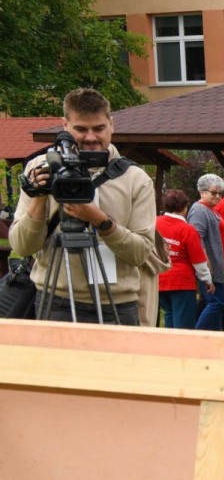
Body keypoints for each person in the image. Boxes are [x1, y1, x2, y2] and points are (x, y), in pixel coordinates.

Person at [10, 87, 155, 325]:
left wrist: (100, 221)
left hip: (117, 305)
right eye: (81, 129)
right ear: (65, 125)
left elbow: (140, 254)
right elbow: (23, 247)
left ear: (111, 124)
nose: (90, 137)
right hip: (56, 299)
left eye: (98, 128)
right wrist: (39, 195)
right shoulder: (41, 169)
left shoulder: (135, 179)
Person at [156, 188, 213, 329]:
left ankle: (170, 348)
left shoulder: (154, 223)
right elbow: (198, 261)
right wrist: (207, 280)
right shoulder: (187, 229)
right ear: (184, 207)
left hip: (159, 278)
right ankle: (184, 349)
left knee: (169, 315)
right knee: (184, 322)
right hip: (182, 281)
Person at [189, 173, 224, 331]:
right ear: (202, 192)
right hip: (210, 268)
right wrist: (206, 267)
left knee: (213, 304)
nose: (218, 196)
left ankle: (215, 339)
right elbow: (196, 239)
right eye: (213, 193)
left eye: (220, 193)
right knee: (218, 303)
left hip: (218, 267)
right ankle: (197, 337)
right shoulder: (199, 210)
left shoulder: (211, 209)